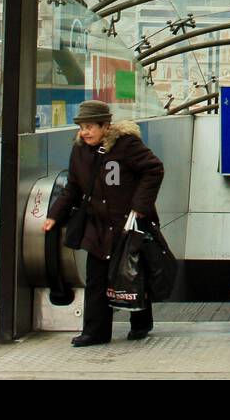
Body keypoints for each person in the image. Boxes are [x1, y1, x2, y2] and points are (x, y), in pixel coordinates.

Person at [43, 101, 164, 346]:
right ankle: (95, 332)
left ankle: (141, 322)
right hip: (97, 226)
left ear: (105, 126)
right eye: (82, 127)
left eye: (90, 127)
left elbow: (154, 170)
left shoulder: (127, 145)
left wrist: (140, 208)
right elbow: (74, 187)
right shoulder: (79, 150)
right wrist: (54, 215)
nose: (85, 132)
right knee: (96, 278)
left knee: (130, 275)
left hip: (127, 225)